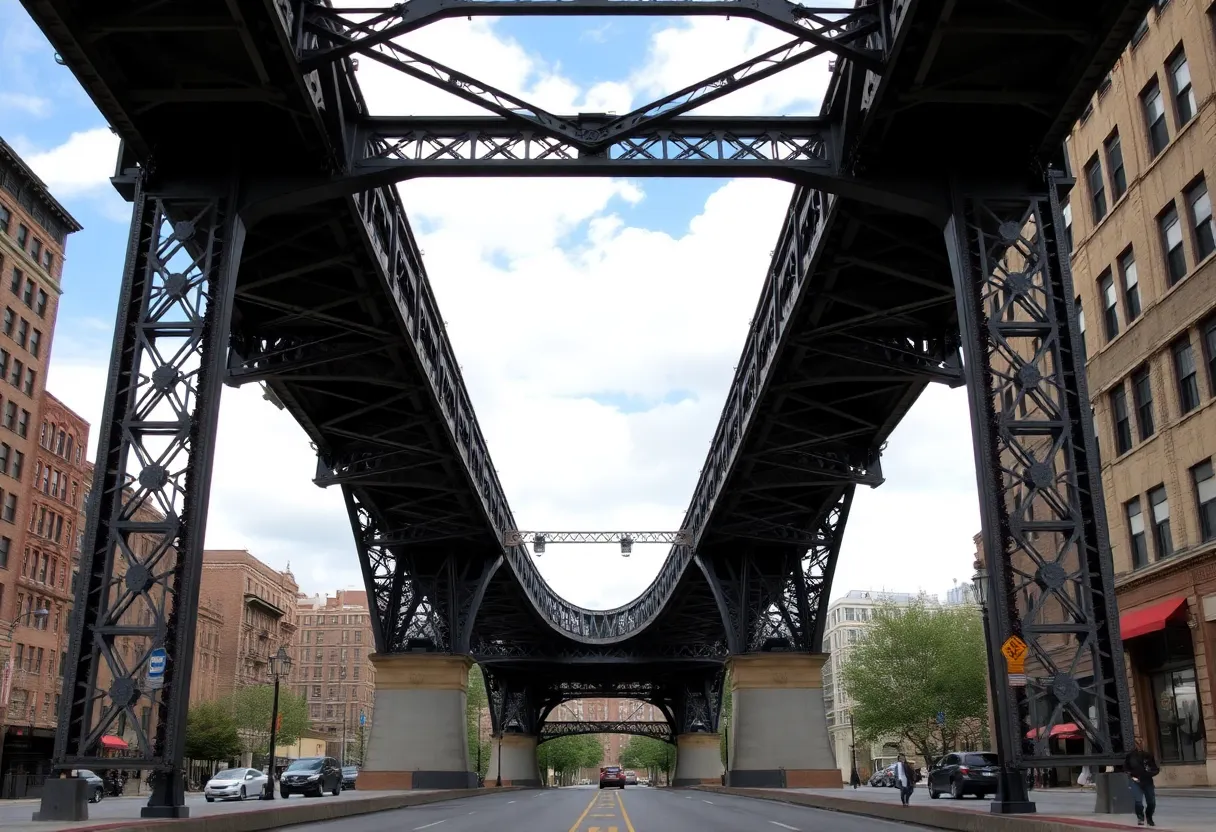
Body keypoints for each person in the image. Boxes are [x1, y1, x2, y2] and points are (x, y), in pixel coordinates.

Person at [1124, 740, 1160, 827]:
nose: (1139, 745)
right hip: (1135, 781)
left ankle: (1149, 817)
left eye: (1141, 743)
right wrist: (1131, 775)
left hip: (1147, 781)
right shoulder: (1130, 756)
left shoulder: (1148, 756)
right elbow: (1126, 768)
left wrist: (1150, 772)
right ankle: (1140, 817)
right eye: (1137, 744)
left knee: (1151, 802)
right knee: (1138, 801)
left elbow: (1155, 768)